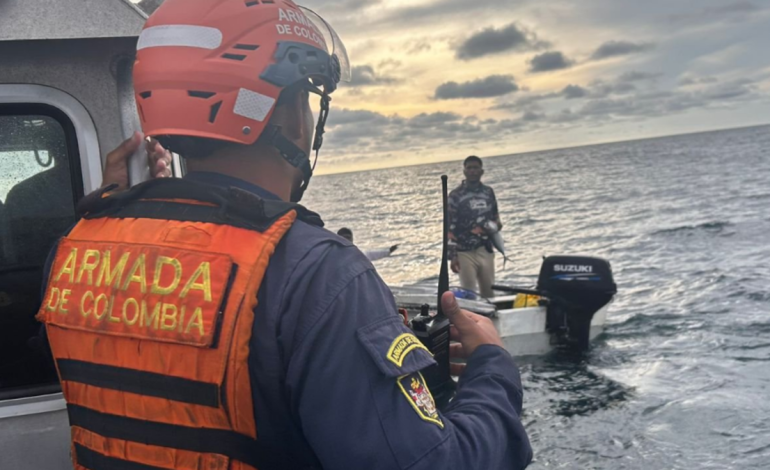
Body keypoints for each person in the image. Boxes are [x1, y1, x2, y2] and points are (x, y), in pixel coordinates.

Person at [35, 2, 532, 470]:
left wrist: (128, 215)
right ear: (294, 117)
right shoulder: (321, 275)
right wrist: (492, 366)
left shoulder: (72, 249)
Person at [449, 156, 503, 299]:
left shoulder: (488, 192)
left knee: (489, 293)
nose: (472, 171)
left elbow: (496, 216)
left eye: (475, 168)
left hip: (485, 249)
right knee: (469, 294)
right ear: (464, 171)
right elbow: (449, 228)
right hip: (464, 252)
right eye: (469, 168)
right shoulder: (455, 195)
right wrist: (452, 256)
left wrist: (495, 226)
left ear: (481, 171)